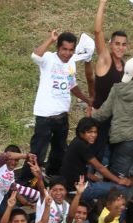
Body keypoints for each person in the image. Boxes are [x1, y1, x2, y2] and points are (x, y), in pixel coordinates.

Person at [24, 30, 93, 180]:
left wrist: (87, 100)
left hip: (62, 116)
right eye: (64, 49)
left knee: (59, 150)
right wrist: (50, 39)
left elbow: (72, 85)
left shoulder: (71, 63)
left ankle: (52, 177)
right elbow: (35, 55)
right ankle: (25, 181)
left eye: (71, 50)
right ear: (58, 48)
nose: (67, 53)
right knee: (38, 152)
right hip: (45, 116)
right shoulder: (49, 58)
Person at [61, 117, 131, 202]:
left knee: (101, 182)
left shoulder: (77, 141)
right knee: (122, 188)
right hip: (78, 190)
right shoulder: (81, 145)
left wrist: (93, 177)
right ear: (81, 133)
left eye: (95, 132)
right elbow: (100, 168)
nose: (93, 135)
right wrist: (119, 181)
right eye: (89, 132)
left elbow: (76, 167)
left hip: (76, 184)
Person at [91, 0, 127, 164]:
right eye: (117, 44)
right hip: (99, 119)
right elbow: (98, 31)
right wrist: (102, 3)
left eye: (123, 44)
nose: (120, 47)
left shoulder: (126, 66)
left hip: (116, 120)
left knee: (111, 157)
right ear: (111, 45)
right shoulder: (105, 60)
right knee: (96, 157)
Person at [0, 146, 40, 218]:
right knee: (18, 215)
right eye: (13, 160)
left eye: (17, 160)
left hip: (0, 203)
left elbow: (14, 190)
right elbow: (8, 155)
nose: (15, 163)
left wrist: (26, 202)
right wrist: (27, 155)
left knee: (21, 212)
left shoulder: (11, 173)